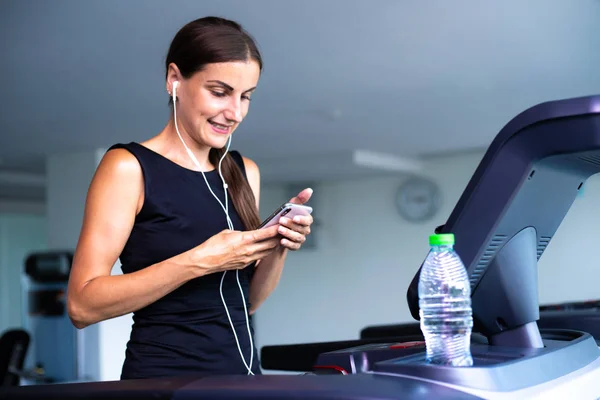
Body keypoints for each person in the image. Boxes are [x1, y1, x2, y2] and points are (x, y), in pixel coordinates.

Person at [66, 16, 314, 380]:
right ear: (174, 80)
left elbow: (247, 303)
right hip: (163, 382)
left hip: (244, 381)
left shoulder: (243, 172)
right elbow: (81, 305)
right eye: (219, 92)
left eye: (245, 97)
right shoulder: (128, 168)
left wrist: (278, 244)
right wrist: (200, 261)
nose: (235, 112)